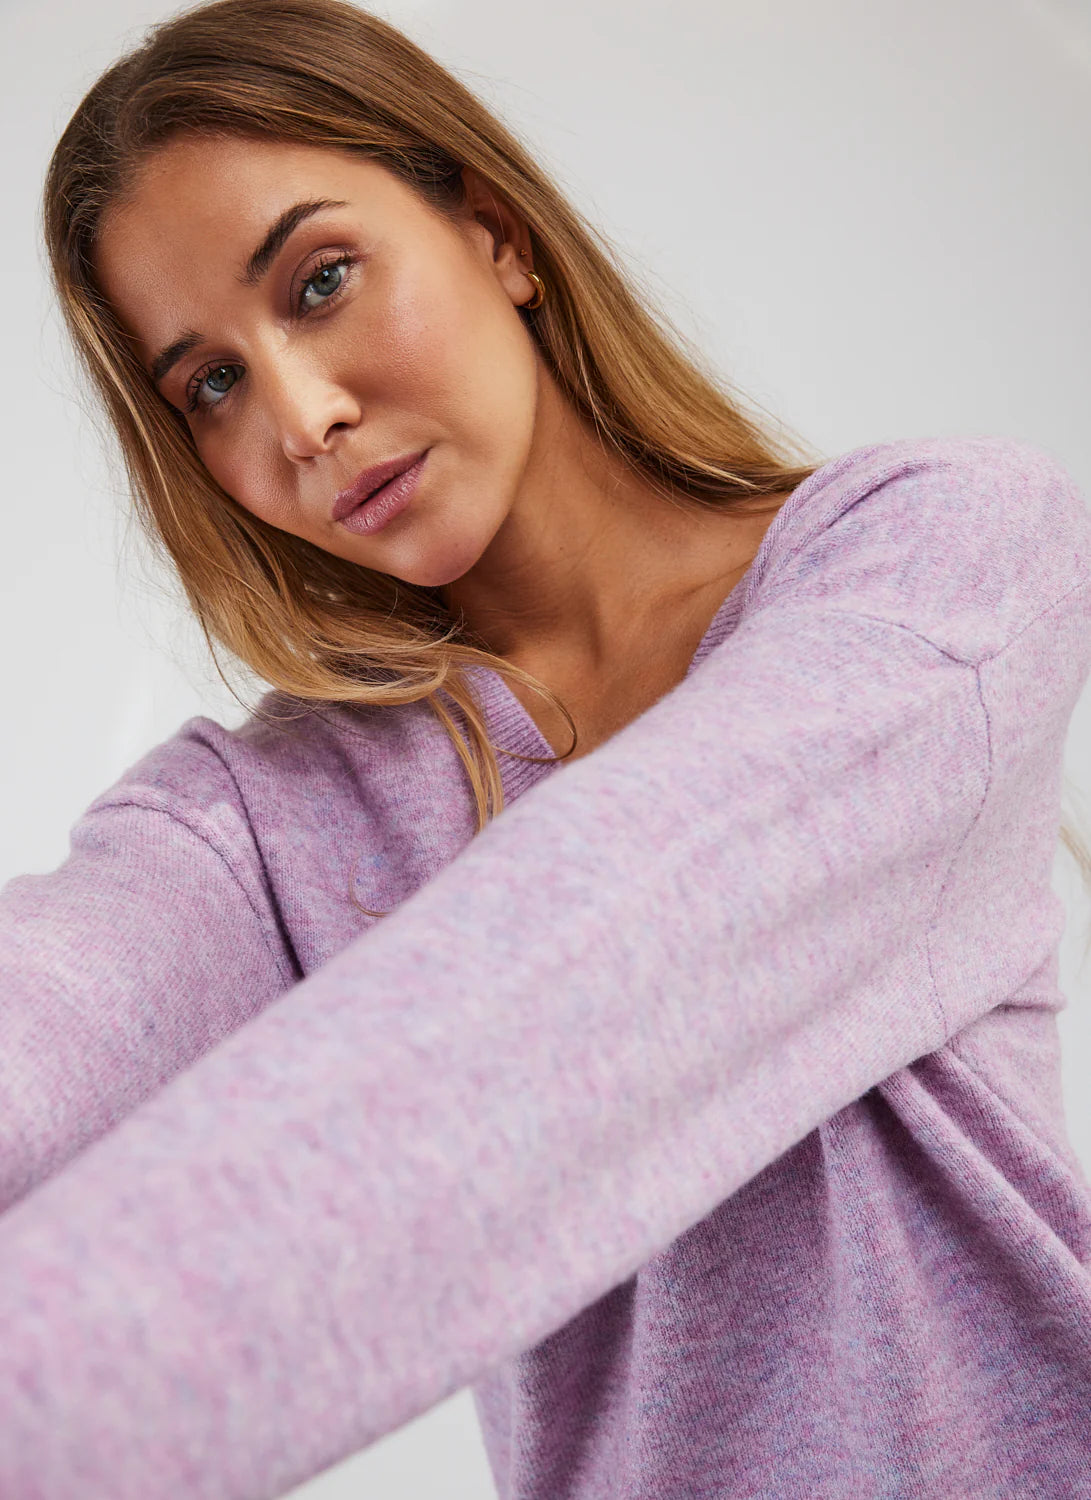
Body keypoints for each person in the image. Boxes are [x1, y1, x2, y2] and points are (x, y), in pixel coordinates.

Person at [3, 0, 1091, 1495]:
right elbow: (45, 1017)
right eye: (213, 384)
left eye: (321, 280)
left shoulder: (938, 563)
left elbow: (559, 986)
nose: (302, 418)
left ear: (496, 234)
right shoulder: (274, 818)